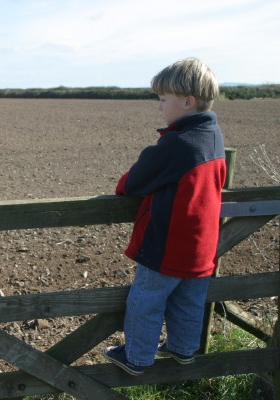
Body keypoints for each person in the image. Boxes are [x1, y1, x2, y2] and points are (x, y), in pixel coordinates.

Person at [102, 58, 226, 375]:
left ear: (187, 102)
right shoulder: (214, 137)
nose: (160, 108)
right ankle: (184, 350)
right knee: (188, 301)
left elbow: (134, 182)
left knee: (146, 300)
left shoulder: (178, 143)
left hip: (168, 245)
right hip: (202, 248)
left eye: (163, 100)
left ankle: (137, 358)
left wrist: (123, 184)